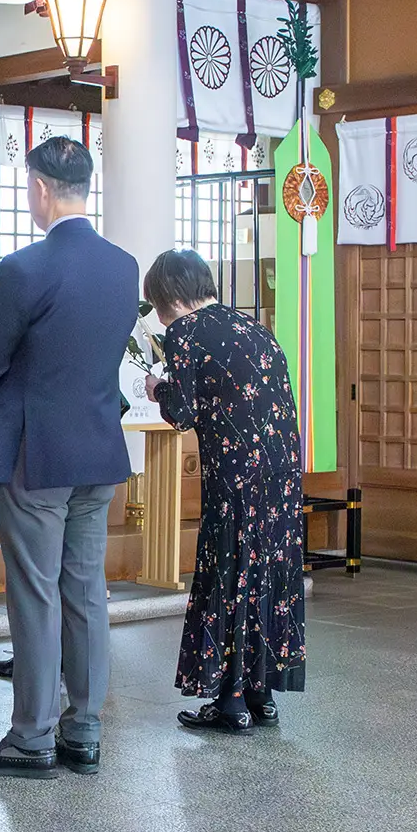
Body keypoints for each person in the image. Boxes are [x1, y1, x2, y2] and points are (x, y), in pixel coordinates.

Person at [0, 136, 138, 779]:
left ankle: (31, 735)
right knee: (86, 590)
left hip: (38, 455)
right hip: (98, 450)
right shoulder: (124, 267)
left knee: (34, 593)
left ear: (37, 188)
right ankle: (83, 730)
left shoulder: (25, 269)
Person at [143, 248, 307, 734]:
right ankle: (262, 694)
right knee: (266, 574)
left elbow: (184, 413)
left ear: (170, 295)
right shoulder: (255, 328)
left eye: (156, 301)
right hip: (281, 473)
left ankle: (230, 702)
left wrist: (157, 387)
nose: (158, 312)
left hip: (236, 474)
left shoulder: (183, 333)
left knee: (230, 570)